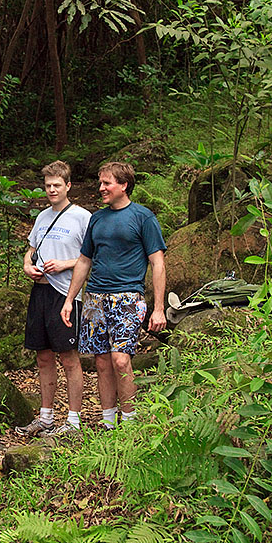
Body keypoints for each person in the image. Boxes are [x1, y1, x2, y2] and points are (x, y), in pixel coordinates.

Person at [61, 162, 167, 429]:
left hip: (128, 297)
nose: (101, 188)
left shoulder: (143, 218)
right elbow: (84, 261)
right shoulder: (97, 218)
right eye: (100, 183)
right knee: (101, 361)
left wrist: (158, 308)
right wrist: (69, 299)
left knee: (121, 359)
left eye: (107, 183)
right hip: (95, 298)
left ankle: (129, 421)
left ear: (124, 185)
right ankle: (109, 422)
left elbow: (158, 263)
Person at [16, 161, 90, 438]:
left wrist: (65, 264)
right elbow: (31, 250)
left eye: (57, 185)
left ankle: (73, 420)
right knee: (43, 355)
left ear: (68, 186)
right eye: (48, 186)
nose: (51, 190)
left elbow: (89, 258)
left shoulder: (83, 217)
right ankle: (46, 416)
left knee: (68, 357)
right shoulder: (42, 217)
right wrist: (27, 266)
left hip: (67, 293)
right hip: (41, 291)